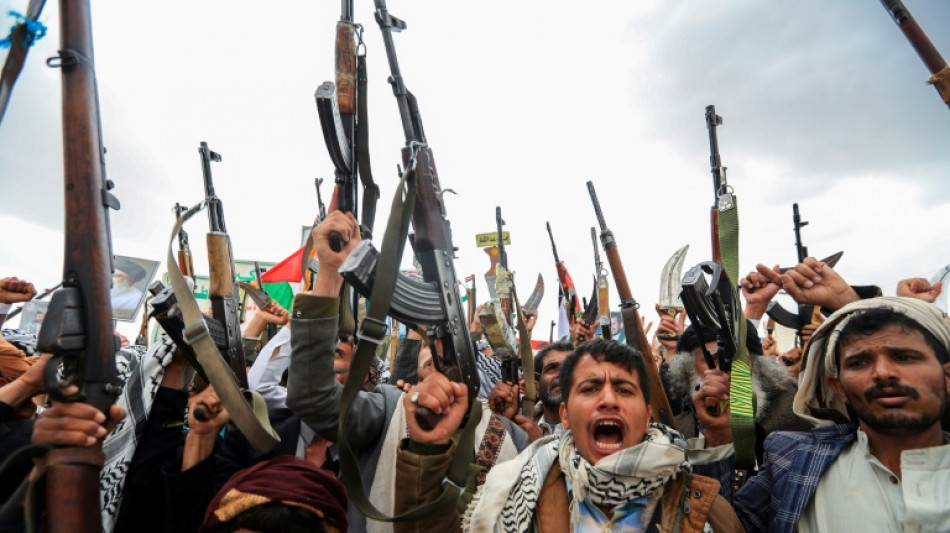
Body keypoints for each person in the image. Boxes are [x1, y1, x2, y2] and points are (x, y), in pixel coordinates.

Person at [286, 199, 528, 532]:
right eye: (435, 345)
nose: (445, 354)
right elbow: (312, 397)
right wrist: (329, 275)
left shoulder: (512, 437)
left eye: (455, 340)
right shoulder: (386, 409)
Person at [394, 338, 743, 533]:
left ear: (647, 414)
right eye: (590, 389)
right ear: (565, 414)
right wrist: (426, 451)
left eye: (623, 389)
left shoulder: (708, 510)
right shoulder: (517, 489)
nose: (608, 400)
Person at [696, 296, 950, 532]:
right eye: (859, 363)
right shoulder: (794, 457)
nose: (882, 372)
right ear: (839, 388)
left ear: (946, 376)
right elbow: (726, 525)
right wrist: (719, 434)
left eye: (904, 357)